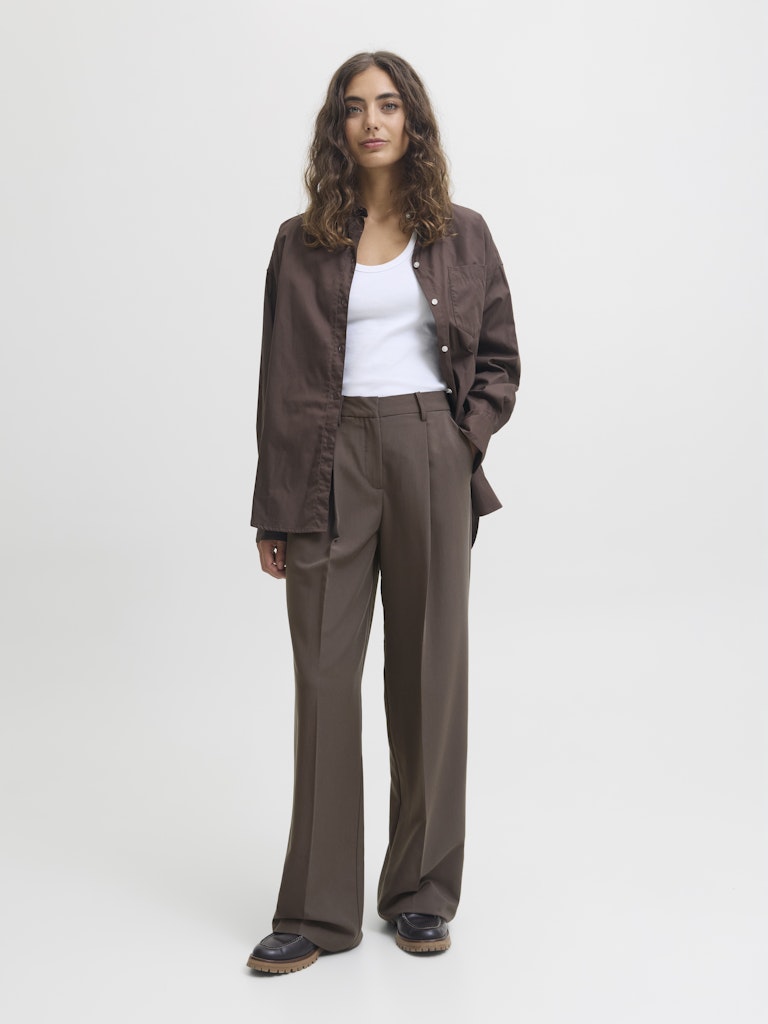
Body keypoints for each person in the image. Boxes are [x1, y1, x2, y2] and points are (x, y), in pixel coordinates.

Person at [246, 50, 521, 974]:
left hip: (427, 450)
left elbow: (500, 360)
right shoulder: (299, 241)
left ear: (413, 122)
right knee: (324, 680)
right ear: (338, 127)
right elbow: (280, 382)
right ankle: (316, 911)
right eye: (356, 107)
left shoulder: (463, 234)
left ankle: (421, 894)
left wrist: (459, 442)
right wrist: (275, 509)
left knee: (428, 674)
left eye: (390, 104)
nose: (373, 121)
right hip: (326, 461)